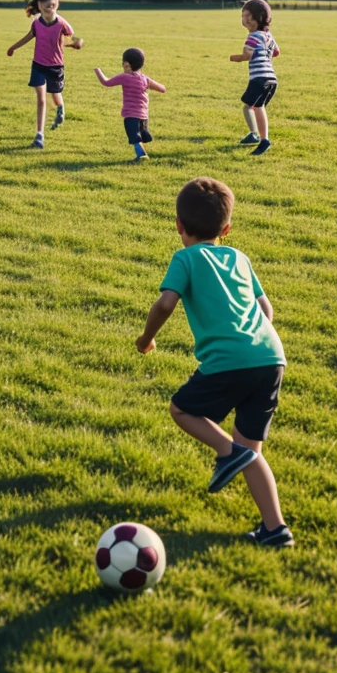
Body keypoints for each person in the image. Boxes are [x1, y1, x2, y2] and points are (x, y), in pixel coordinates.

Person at [135, 177, 292, 547]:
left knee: (181, 410)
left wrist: (146, 339)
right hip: (270, 356)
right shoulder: (239, 256)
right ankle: (275, 529)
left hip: (229, 360)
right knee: (250, 453)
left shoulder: (185, 258)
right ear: (226, 228)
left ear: (178, 225)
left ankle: (226, 452)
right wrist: (251, 340)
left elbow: (165, 304)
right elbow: (266, 309)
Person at [7, 0, 83, 149]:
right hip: (38, 65)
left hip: (56, 66)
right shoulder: (37, 24)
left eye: (52, 2)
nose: (49, 5)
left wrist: (77, 43)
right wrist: (13, 47)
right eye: (45, 2)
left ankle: (61, 108)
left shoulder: (62, 24)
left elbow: (70, 39)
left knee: (55, 95)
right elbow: (28, 37)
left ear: (57, 3)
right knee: (41, 99)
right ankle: (39, 135)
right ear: (39, 5)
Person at [93, 48, 166, 162]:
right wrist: (153, 86)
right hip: (143, 115)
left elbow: (106, 82)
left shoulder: (124, 77)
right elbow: (162, 89)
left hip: (131, 114)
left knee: (134, 136)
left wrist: (97, 70)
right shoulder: (144, 78)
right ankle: (143, 153)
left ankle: (141, 155)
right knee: (139, 134)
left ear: (127, 65)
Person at [229, 0, 280, 156]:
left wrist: (234, 58)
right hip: (272, 79)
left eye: (246, 16)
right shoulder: (268, 36)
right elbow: (276, 52)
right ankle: (253, 134)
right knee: (248, 106)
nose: (243, 20)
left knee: (257, 107)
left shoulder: (253, 36)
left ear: (256, 18)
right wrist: (266, 57)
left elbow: (247, 55)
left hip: (260, 79)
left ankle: (264, 140)